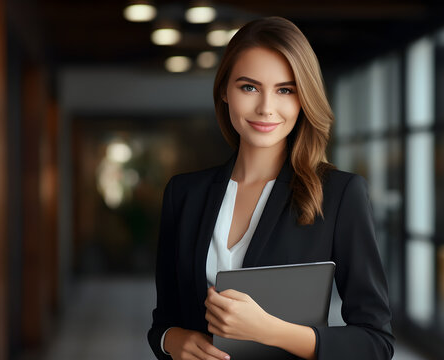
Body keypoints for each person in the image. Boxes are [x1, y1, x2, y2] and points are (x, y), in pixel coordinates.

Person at [148, 16, 394, 360]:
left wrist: (269, 330)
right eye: (249, 87)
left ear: (303, 97)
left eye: (285, 90)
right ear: (224, 91)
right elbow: (163, 323)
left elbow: (376, 344)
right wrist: (173, 341)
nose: (266, 108)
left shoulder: (340, 195)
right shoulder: (184, 194)